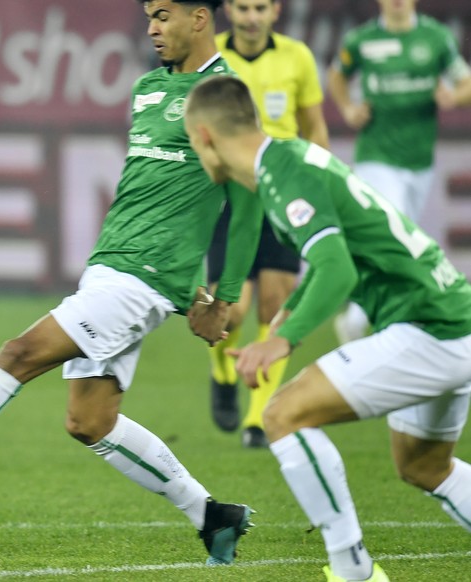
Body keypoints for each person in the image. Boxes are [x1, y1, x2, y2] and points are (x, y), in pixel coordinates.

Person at [0, 0, 262, 565]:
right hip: (111, 267)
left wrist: (226, 294)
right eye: (149, 16)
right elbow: (159, 191)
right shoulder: (147, 91)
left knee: (20, 353)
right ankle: (212, 515)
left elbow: (247, 194)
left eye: (164, 15)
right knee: (89, 421)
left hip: (144, 280)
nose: (153, 27)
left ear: (201, 18)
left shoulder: (225, 94)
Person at [184, 74, 471, 582]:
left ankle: (351, 569)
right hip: (451, 318)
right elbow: (332, 256)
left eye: (190, 139)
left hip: (429, 328)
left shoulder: (282, 175)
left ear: (205, 135)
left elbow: (339, 268)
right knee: (424, 467)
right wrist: (290, 312)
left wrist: (281, 341)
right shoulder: (289, 160)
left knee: (284, 415)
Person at [206, 0, 330, 448]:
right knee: (231, 309)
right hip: (229, 197)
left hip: (283, 195)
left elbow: (314, 128)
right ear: (229, 12)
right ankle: (221, 372)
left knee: (274, 305)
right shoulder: (213, 58)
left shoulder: (297, 56)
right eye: (242, 7)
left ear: (275, 10)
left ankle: (257, 418)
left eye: (260, 7)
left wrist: (315, 181)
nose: (251, 17)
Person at [328, 0, 471, 344]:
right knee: (393, 234)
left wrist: (453, 97)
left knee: (396, 238)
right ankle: (377, 318)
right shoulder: (361, 40)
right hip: (376, 155)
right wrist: (348, 108)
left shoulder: (435, 38)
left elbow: (466, 83)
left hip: (419, 161)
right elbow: (337, 75)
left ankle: (358, 316)